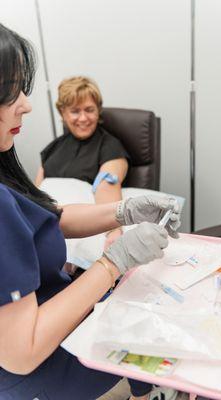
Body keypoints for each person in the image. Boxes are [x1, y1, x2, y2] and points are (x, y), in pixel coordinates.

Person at [0, 23, 182, 400]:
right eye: (10, 90)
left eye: (89, 109)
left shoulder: (11, 161)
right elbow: (21, 353)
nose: (26, 103)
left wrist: (123, 212)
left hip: (58, 305)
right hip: (37, 367)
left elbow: (50, 212)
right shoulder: (50, 153)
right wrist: (113, 262)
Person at [35, 75, 129, 250]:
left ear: (98, 110)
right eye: (75, 111)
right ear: (63, 113)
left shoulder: (110, 146)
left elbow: (107, 188)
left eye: (89, 110)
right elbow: (36, 193)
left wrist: (114, 232)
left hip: (83, 239)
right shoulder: (51, 149)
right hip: (47, 233)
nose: (83, 118)